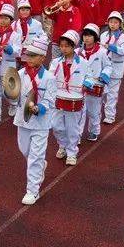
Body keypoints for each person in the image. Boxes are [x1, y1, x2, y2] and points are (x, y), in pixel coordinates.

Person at [13, 35, 56, 205]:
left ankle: (33, 190)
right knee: (25, 150)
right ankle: (40, 165)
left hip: (40, 123)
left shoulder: (49, 77)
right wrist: (9, 92)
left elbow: (50, 100)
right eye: (28, 55)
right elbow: (13, 96)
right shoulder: (19, 74)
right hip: (22, 120)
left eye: (33, 56)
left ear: (42, 58)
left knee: (35, 157)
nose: (29, 58)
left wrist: (40, 108)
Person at [50, 30, 85, 166]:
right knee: (56, 126)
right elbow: (50, 78)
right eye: (61, 46)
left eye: (67, 46)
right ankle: (62, 145)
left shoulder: (83, 62)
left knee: (72, 128)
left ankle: (71, 152)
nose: (63, 49)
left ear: (73, 46)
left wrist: (87, 83)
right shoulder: (55, 62)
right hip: (58, 97)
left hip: (74, 100)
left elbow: (88, 76)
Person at [78, 24, 112, 142]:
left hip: (95, 86)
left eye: (90, 36)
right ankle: (77, 135)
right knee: (79, 113)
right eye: (85, 35)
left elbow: (108, 66)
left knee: (94, 112)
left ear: (95, 37)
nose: (86, 38)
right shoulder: (78, 52)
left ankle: (94, 131)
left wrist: (104, 75)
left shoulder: (102, 52)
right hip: (81, 87)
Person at [99, 12, 124, 124]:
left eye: (116, 22)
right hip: (104, 67)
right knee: (103, 92)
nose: (113, 24)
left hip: (116, 67)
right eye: (111, 22)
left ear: (120, 24)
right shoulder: (104, 35)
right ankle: (103, 109)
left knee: (112, 93)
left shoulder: (123, 37)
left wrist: (111, 47)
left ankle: (110, 116)